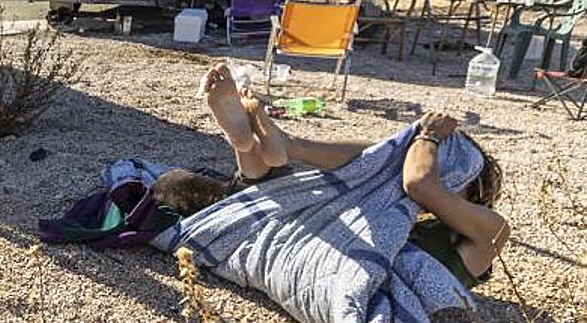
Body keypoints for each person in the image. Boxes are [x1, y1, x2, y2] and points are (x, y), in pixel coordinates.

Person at [152, 63, 509, 288]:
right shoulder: (415, 214)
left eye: (448, 164)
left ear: (472, 183)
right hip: (311, 234)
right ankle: (279, 147)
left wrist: (427, 136)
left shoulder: (491, 230)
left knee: (179, 187)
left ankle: (254, 150)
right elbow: (403, 177)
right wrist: (398, 150)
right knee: (377, 162)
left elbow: (418, 182)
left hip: (330, 261)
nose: (434, 164)